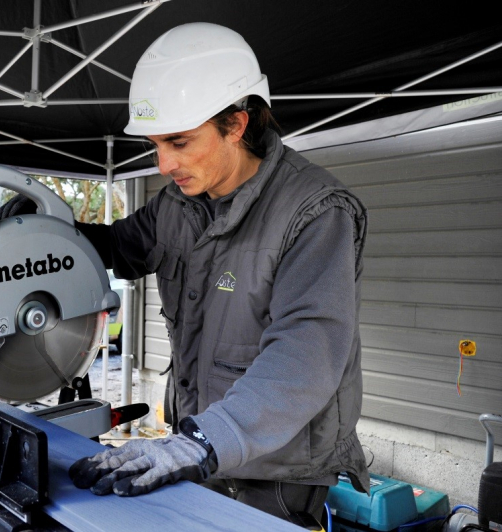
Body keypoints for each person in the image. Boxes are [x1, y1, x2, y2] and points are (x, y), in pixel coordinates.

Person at [64, 22, 371, 524]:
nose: (163, 163)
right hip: (198, 446)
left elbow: (308, 349)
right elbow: (118, 247)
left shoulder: (316, 211)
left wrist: (203, 442)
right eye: (156, 144)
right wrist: (42, 234)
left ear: (237, 124)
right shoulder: (178, 205)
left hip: (276, 473)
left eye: (179, 142)